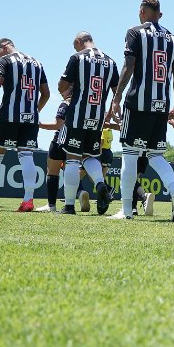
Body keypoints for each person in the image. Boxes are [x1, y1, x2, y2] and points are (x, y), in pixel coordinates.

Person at [105, 0, 174, 220]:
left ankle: (127, 210)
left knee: (129, 156)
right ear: (159, 14)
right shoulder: (173, 38)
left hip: (138, 103)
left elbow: (129, 66)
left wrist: (117, 96)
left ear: (142, 12)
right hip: (161, 104)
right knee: (156, 155)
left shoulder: (134, 32)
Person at [0, 38, 50, 212]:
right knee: (27, 157)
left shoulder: (5, 60)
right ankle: (28, 201)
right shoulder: (37, 62)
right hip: (30, 118)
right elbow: (46, 93)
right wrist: (34, 111)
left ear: (4, 47)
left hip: (8, 116)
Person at [57, 31, 118, 216]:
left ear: (78, 41)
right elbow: (117, 91)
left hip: (77, 115)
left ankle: (68, 206)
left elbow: (61, 85)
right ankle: (100, 184)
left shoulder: (77, 58)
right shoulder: (110, 61)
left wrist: (69, 91)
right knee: (90, 157)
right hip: (97, 117)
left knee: (72, 158)